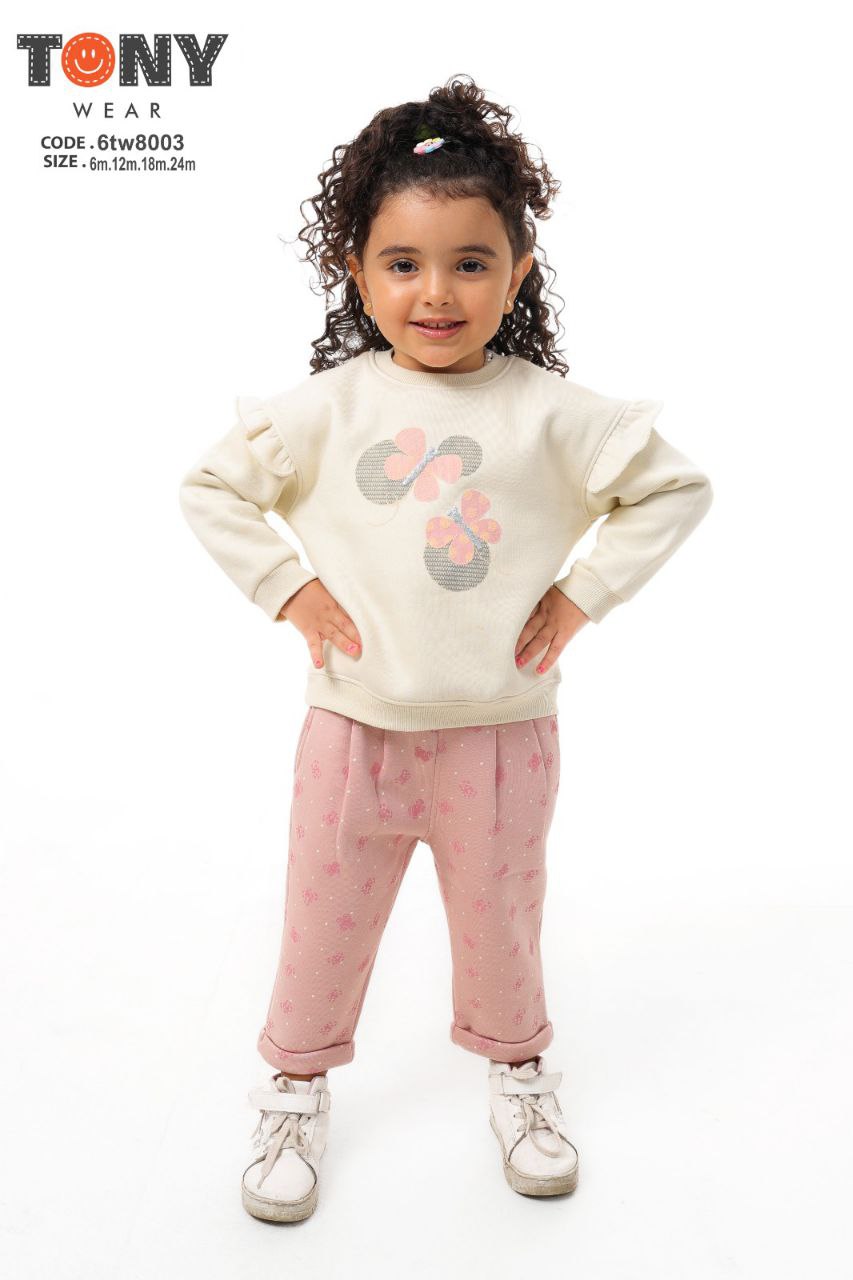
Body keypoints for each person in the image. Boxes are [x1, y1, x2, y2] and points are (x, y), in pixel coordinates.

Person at [178, 74, 713, 1222]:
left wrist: (581, 594)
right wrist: (289, 586)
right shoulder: (326, 409)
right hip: (353, 732)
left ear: (516, 274)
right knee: (320, 923)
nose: (436, 292)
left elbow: (674, 488)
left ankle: (518, 1072)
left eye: (471, 262)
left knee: (501, 923)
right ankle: (295, 1084)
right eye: (403, 263)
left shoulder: (550, 412)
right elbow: (212, 486)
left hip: (501, 737)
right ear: (358, 272)